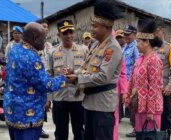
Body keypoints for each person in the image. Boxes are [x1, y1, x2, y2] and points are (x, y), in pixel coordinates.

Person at [65, 0, 123, 139]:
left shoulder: (112, 47)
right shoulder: (96, 44)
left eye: (95, 26)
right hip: (90, 103)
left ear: (106, 27)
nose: (92, 29)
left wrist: (78, 78)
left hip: (102, 106)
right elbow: (87, 68)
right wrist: (74, 73)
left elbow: (103, 76)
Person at [3, 22, 67, 140]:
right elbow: (46, 84)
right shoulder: (31, 58)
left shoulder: (15, 50)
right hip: (27, 116)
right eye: (44, 38)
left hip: (12, 111)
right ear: (35, 39)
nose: (45, 41)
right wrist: (65, 78)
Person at [47, 19, 87, 140]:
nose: (69, 35)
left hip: (78, 99)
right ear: (59, 35)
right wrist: (48, 98)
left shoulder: (83, 50)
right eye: (65, 33)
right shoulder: (52, 52)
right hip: (60, 98)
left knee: (79, 132)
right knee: (60, 133)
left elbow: (88, 73)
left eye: (71, 32)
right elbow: (49, 75)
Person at [124, 20, 164, 133]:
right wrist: (127, 96)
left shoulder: (154, 60)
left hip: (151, 110)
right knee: (141, 135)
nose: (136, 44)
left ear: (146, 42)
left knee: (149, 136)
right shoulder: (140, 59)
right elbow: (132, 79)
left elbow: (154, 87)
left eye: (138, 41)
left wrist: (150, 110)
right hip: (139, 106)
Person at [154, 20, 171, 140]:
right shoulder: (149, 46)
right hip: (150, 90)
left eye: (156, 31)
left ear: (162, 32)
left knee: (165, 117)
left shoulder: (170, 47)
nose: (154, 34)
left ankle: (166, 137)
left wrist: (169, 86)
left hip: (163, 89)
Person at [123, 25, 139, 137]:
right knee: (129, 105)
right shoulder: (125, 47)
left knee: (134, 106)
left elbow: (138, 65)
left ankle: (136, 129)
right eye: (125, 34)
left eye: (128, 34)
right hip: (125, 82)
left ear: (134, 34)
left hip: (133, 82)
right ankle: (135, 127)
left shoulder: (136, 47)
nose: (125, 36)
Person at [39, 21, 53, 139]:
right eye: (43, 27)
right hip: (37, 79)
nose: (46, 29)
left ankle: (40, 127)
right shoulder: (34, 44)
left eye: (47, 27)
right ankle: (38, 127)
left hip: (47, 77)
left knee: (45, 104)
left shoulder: (50, 46)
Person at [113, 29, 127, 140]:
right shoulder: (95, 50)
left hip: (114, 90)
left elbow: (123, 74)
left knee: (114, 118)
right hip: (97, 95)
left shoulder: (119, 53)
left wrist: (124, 92)